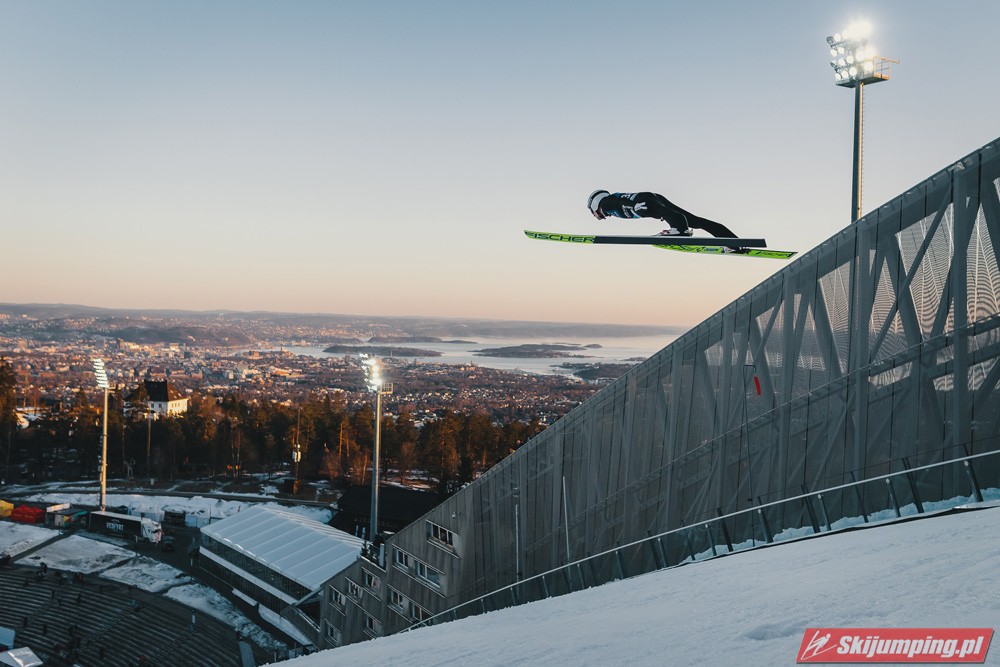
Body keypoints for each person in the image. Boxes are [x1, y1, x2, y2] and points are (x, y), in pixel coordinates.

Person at [587, 190, 738, 238]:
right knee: (694, 221)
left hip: (642, 201)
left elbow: (617, 202)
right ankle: (733, 242)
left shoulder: (605, 204)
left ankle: (679, 230)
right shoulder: (609, 207)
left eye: (592, 212)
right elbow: (618, 202)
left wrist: (634, 205)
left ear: (594, 203)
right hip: (649, 198)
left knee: (662, 212)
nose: (594, 215)